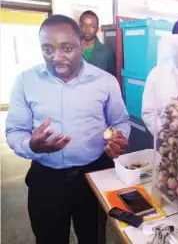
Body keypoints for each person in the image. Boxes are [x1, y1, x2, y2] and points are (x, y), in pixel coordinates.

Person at [6, 14, 130, 244]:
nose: (57, 58)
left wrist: (118, 139)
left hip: (93, 176)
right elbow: (15, 131)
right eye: (47, 49)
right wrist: (30, 145)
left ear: (82, 45)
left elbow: (121, 120)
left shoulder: (104, 82)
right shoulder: (25, 81)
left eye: (67, 48)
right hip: (47, 180)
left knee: (92, 238)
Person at [79, 10, 116, 76]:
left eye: (92, 26)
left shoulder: (106, 53)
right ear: (79, 27)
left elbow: (111, 79)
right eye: (84, 25)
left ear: (97, 29)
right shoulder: (72, 51)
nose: (87, 30)